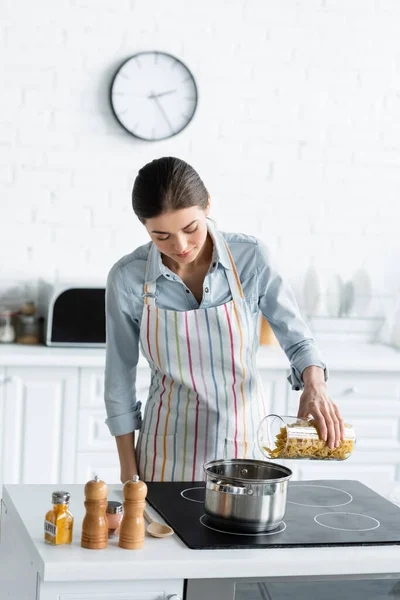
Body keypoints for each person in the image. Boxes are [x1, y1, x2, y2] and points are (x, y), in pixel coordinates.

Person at [104, 156, 345, 484]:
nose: (181, 246)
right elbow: (119, 378)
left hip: (243, 445)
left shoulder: (251, 258)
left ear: (207, 206)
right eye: (161, 236)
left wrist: (315, 384)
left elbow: (298, 338)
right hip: (165, 453)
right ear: (144, 227)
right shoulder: (127, 279)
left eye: (191, 229)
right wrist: (128, 471)